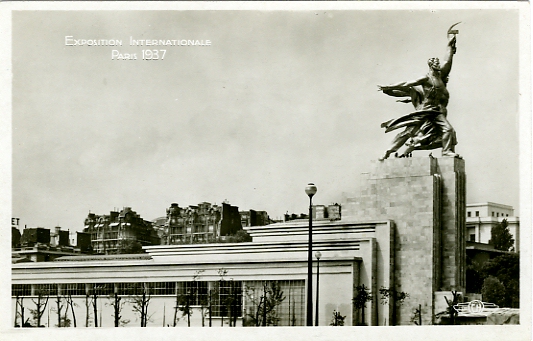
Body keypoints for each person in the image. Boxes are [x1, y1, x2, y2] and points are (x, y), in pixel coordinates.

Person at [378, 34, 459, 160]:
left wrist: (450, 45)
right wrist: (389, 87)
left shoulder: (440, 76)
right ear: (431, 65)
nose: (438, 65)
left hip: (436, 112)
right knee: (408, 132)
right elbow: (407, 84)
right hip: (425, 111)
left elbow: (447, 61)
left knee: (448, 129)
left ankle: (446, 151)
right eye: (436, 63)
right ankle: (388, 151)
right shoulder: (426, 78)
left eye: (438, 63)